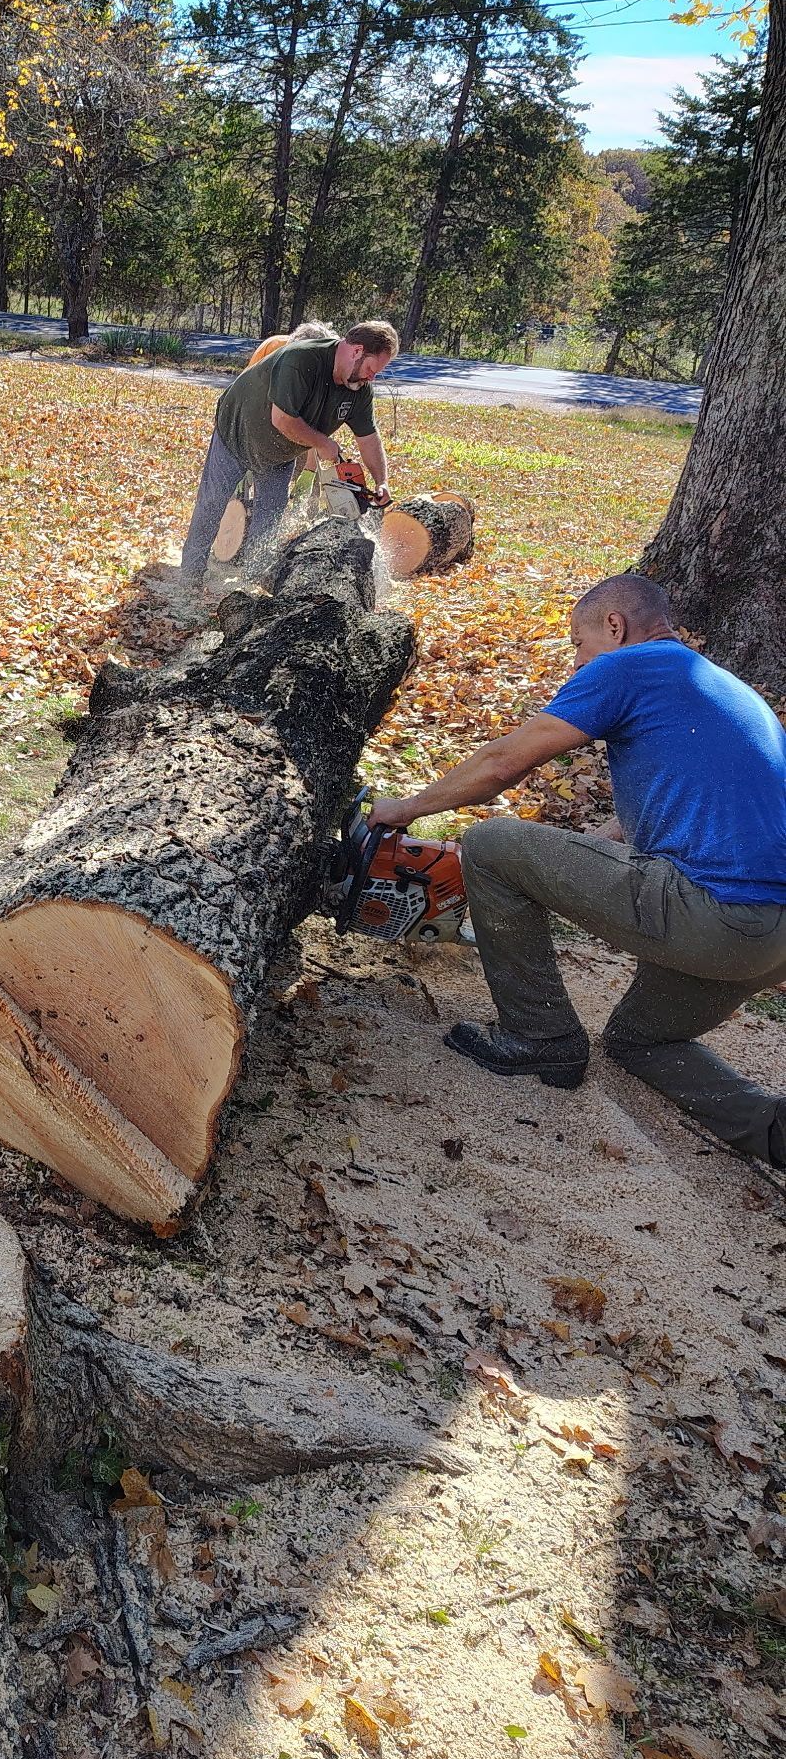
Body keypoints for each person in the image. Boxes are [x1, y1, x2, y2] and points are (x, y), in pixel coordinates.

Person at [367, 573, 786, 1173]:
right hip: (771, 941)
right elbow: (700, 806)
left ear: (614, 627)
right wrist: (592, 848)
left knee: (489, 844)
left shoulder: (627, 668)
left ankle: (541, 1038)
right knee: (642, 1041)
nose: (577, 659)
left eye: (577, 642)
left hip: (713, 915)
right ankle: (770, 1129)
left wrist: (405, 808)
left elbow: (505, 762)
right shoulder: (724, 689)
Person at [177, 318, 399, 596]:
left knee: (269, 517)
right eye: (370, 369)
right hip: (237, 431)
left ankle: (250, 585)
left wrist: (382, 481)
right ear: (356, 351)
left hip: (279, 453)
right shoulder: (301, 360)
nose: (371, 377)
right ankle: (190, 577)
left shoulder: (359, 390)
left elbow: (368, 437)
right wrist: (323, 443)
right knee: (212, 502)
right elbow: (283, 420)